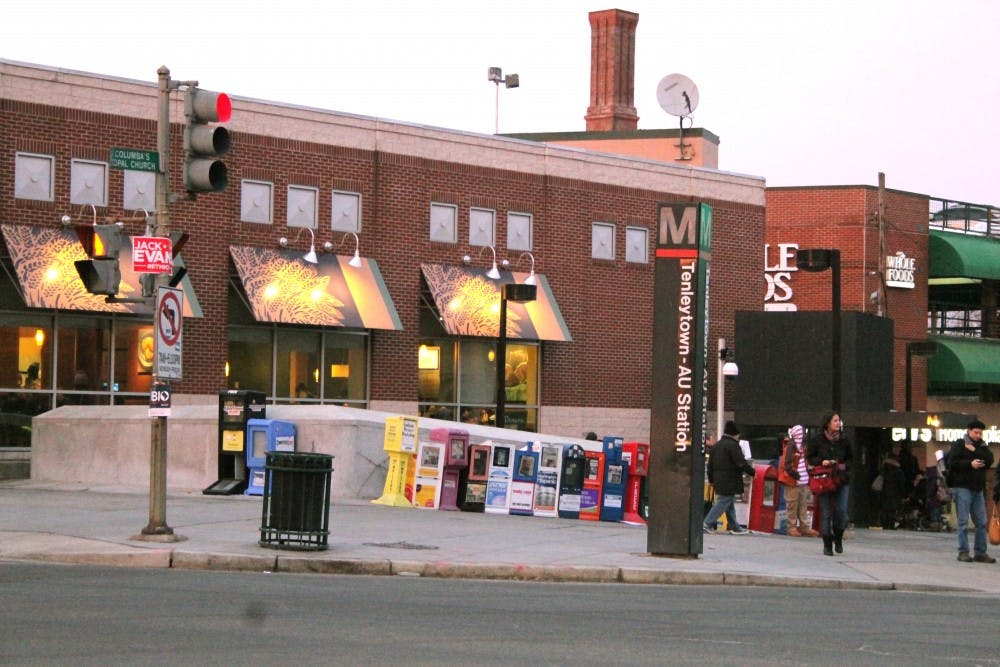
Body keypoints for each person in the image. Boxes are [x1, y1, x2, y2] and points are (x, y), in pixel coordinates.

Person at [946, 419, 996, 563]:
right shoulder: (959, 444)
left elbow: (989, 460)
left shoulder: (982, 446)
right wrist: (970, 464)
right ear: (969, 431)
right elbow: (952, 463)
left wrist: (975, 451)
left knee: (981, 521)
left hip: (978, 488)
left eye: (980, 433)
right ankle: (963, 551)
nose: (978, 435)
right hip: (962, 487)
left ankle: (980, 552)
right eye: (975, 432)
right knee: (963, 521)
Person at [806, 412, 852, 556]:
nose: (838, 423)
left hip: (841, 479)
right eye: (835, 421)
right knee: (826, 513)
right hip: (824, 479)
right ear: (827, 423)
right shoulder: (817, 440)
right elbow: (810, 458)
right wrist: (821, 462)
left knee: (841, 511)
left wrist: (842, 465)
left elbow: (851, 458)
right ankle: (827, 544)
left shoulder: (844, 440)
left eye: (839, 421)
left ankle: (838, 538)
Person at [703, 421, 753, 535]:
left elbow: (710, 465)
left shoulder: (716, 446)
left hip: (718, 479)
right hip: (730, 479)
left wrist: (711, 480)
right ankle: (707, 524)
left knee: (728, 503)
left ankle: (734, 526)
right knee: (723, 501)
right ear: (735, 434)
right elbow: (741, 462)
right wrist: (752, 472)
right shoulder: (733, 446)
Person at [780, 425, 819, 537]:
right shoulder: (790, 447)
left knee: (803, 505)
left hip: (803, 481)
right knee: (792, 505)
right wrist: (795, 475)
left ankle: (804, 526)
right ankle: (791, 527)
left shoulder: (803, 447)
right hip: (793, 481)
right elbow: (786, 465)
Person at [877, 443, 906, 530]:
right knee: (892, 510)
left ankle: (884, 524)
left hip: (884, 492)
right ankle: (891, 524)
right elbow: (901, 484)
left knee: (885, 509)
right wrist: (903, 494)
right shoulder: (898, 472)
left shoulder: (884, 470)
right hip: (895, 493)